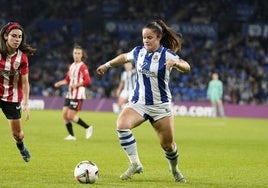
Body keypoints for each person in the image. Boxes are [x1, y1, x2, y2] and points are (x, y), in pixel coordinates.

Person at [96, 20, 190, 183]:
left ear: (159, 38)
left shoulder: (167, 54)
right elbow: (124, 57)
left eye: (149, 37)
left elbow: (186, 66)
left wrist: (176, 63)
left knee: (168, 146)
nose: (146, 40)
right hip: (138, 103)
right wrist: (107, 65)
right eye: (144, 37)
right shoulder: (138, 51)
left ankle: (174, 170)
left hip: (161, 107)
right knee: (122, 125)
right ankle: (135, 163)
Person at [0, 22, 36, 162]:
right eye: (14, 36)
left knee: (17, 134)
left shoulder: (22, 58)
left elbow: (25, 82)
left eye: (19, 37)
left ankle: (21, 147)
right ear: (5, 36)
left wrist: (26, 103)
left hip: (12, 97)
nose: (17, 39)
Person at [54, 44, 93, 140]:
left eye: (78, 53)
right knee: (64, 114)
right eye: (75, 53)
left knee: (70, 115)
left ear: (81, 55)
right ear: (72, 54)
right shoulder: (71, 66)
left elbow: (88, 80)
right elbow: (67, 80)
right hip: (70, 94)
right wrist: (60, 83)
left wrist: (76, 85)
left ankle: (88, 127)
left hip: (78, 94)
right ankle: (71, 135)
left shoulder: (83, 66)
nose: (76, 55)